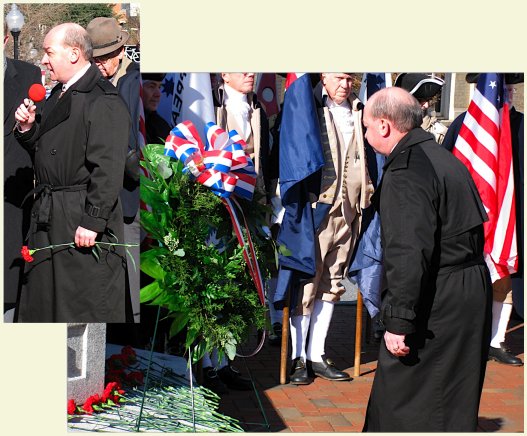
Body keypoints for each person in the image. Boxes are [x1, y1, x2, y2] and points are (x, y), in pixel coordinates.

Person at [362, 87, 491, 431]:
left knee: (403, 405)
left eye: (367, 126)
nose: (366, 134)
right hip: (467, 289)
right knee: (451, 401)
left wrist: (399, 322)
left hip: (438, 295)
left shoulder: (407, 170)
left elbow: (408, 251)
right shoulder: (441, 157)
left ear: (385, 126)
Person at [14, 23, 131, 322]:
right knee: (45, 305)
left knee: (78, 306)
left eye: (49, 52)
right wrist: (28, 130)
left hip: (78, 217)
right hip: (51, 213)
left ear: (75, 54)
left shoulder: (102, 99)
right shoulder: (58, 95)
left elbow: (108, 167)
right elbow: (50, 153)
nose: (43, 60)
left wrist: (93, 220)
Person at [285, 73, 374, 385]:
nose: (345, 85)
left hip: (351, 210)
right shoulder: (310, 108)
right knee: (309, 282)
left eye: (350, 79)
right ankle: (298, 356)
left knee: (333, 282)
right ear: (324, 77)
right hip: (318, 208)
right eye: (339, 77)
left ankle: (316, 353)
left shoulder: (363, 111)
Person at [442, 73, 524, 366]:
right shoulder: (466, 124)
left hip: (510, 216)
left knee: (503, 276)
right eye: (502, 86)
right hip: (468, 218)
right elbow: (446, 164)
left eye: (511, 87)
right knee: (464, 276)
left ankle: (496, 340)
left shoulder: (522, 125)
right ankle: (463, 336)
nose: (507, 92)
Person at [86, 17, 141, 323]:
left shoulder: (133, 82)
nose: (101, 64)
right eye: (96, 58)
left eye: (106, 57)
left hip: (130, 198)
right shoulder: (95, 85)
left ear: (120, 51)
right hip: (101, 201)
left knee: (132, 290)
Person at [3, 22, 43, 321]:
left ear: (6, 39)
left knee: (8, 285)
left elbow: (38, 134)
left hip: (12, 195)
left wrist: (26, 126)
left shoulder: (29, 76)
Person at [394, 73, 448, 144]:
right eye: (419, 100)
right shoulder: (390, 128)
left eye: (428, 100)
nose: (426, 105)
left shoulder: (439, 133)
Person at [141, 73, 171, 144]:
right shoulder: (124, 122)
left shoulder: (162, 127)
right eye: (151, 87)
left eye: (159, 87)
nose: (158, 94)